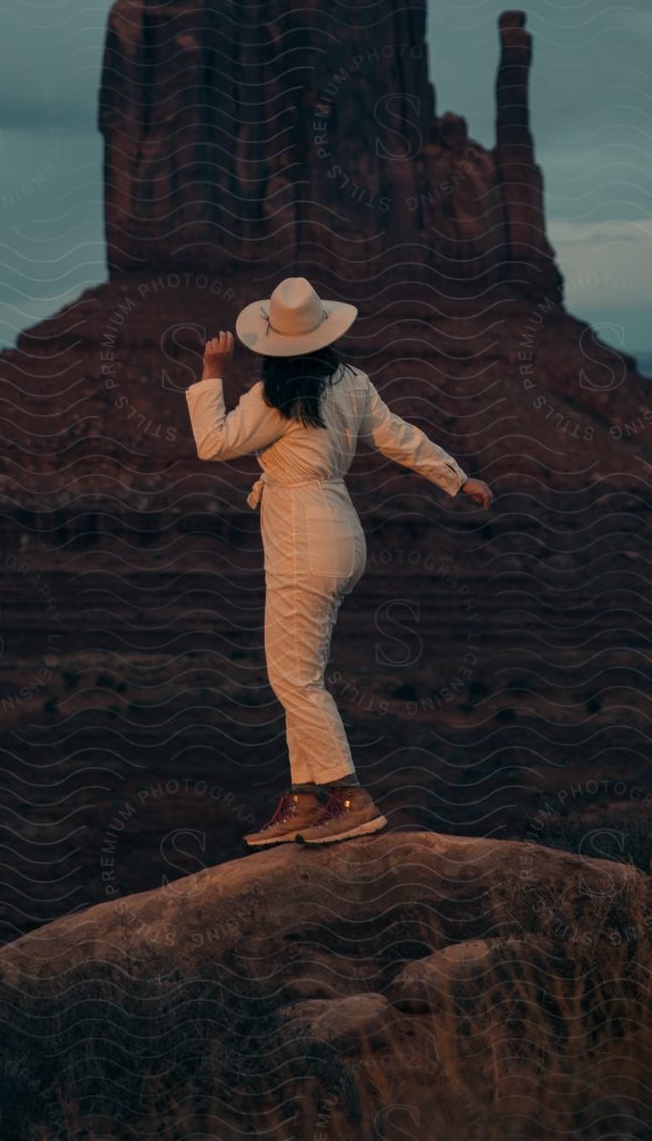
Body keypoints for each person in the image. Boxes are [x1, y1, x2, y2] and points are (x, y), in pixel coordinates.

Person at [184, 275, 493, 849]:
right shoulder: (351, 383)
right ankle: (306, 799)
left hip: (302, 539)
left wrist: (210, 374)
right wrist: (457, 477)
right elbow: (399, 437)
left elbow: (213, 443)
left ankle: (350, 797)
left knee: (293, 680)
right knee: (299, 676)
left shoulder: (276, 394)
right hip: (340, 533)